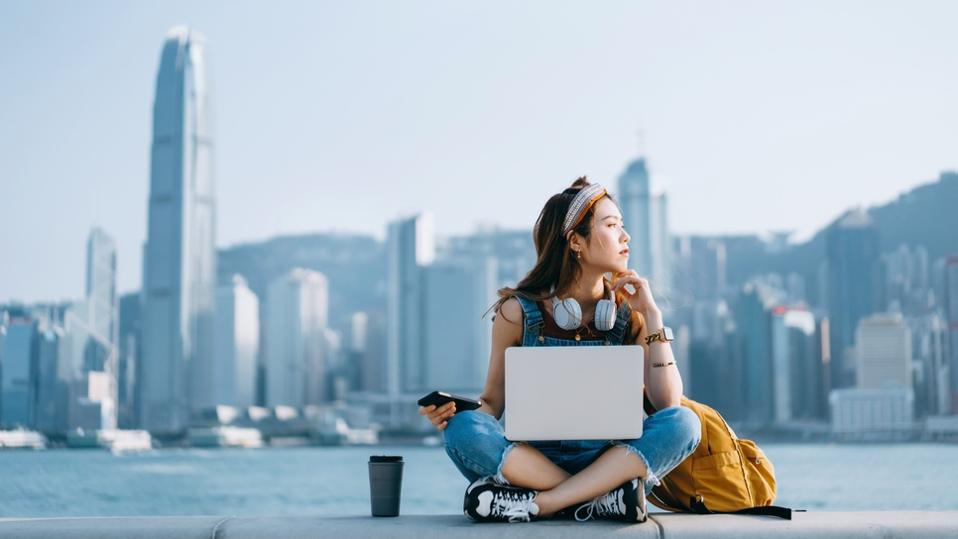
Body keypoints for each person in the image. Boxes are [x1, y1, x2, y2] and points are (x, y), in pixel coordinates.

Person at [418, 177, 701, 523]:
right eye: (612, 226)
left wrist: (653, 317)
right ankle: (600, 500)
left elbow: (667, 403)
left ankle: (545, 503)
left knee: (685, 422)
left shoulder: (630, 313)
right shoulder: (517, 312)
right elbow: (492, 403)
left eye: (622, 226)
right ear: (576, 242)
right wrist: (455, 411)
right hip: (529, 461)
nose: (625, 237)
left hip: (609, 459)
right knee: (462, 429)